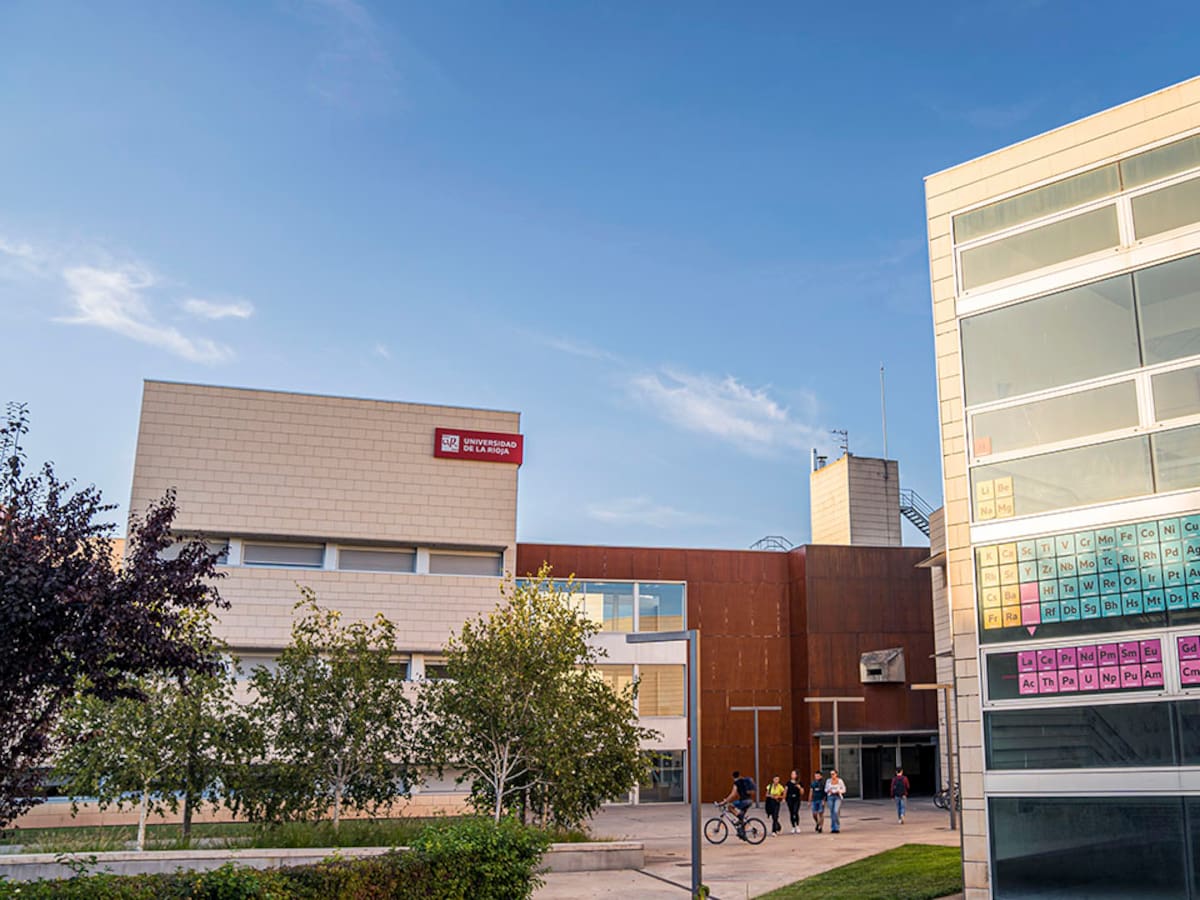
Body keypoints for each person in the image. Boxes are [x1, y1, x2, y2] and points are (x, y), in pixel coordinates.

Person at [720, 770, 756, 839]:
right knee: (741, 818)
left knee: (730, 807)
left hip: (744, 801)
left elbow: (733, 794)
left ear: (733, 777)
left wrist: (725, 801)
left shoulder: (737, 782)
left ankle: (740, 819)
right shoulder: (744, 781)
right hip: (749, 801)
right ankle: (742, 833)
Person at [825, 768, 847, 833]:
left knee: (836, 811)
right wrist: (829, 790)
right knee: (832, 812)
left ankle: (837, 826)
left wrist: (839, 791)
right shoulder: (828, 781)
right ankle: (833, 828)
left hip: (837, 797)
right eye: (831, 774)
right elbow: (825, 789)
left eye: (833, 774)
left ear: (836, 774)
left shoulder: (840, 781)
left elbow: (844, 789)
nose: (832, 775)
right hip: (830, 796)